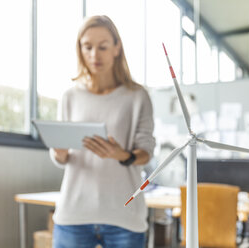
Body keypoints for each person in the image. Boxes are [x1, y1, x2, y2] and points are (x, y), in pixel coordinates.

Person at [49, 15, 156, 248]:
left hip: (124, 215)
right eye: (87, 47)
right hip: (73, 213)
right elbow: (62, 158)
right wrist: (59, 152)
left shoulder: (137, 96)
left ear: (117, 48)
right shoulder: (70, 97)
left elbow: (147, 151)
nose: (94, 55)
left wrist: (123, 155)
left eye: (103, 47)